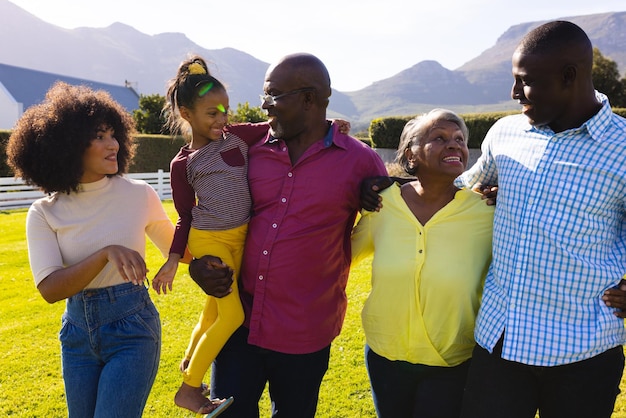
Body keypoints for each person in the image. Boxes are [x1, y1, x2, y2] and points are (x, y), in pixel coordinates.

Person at [188, 52, 388, 417]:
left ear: (309, 99)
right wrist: (195, 265)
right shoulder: (244, 147)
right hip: (239, 323)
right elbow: (205, 210)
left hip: (306, 330)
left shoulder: (360, 161)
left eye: (274, 95)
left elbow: (399, 216)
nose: (264, 105)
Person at [453, 21, 626, 418]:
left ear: (569, 76)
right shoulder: (506, 133)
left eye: (524, 82)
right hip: (499, 342)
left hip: (584, 353)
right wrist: (390, 186)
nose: (514, 94)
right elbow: (460, 191)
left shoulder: (623, 147)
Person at [5, 82, 174, 418]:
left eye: (114, 134)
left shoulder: (139, 195)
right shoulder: (44, 212)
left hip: (133, 331)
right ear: (67, 144)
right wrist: (105, 253)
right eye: (99, 136)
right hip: (76, 336)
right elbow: (50, 289)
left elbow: (181, 248)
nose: (113, 144)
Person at [351, 109, 494, 417]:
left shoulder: (487, 211)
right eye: (439, 138)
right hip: (385, 355)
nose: (454, 145)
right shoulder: (381, 203)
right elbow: (340, 256)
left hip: (452, 360)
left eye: (459, 139)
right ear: (410, 154)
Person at [152, 55, 267, 416]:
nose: (221, 119)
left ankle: (190, 360)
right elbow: (184, 216)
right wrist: (173, 260)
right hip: (209, 240)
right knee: (232, 316)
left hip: (240, 237)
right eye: (211, 113)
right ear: (186, 113)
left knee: (212, 310)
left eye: (225, 110)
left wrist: (329, 123)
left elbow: (276, 125)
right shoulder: (183, 163)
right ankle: (188, 390)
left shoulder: (238, 136)